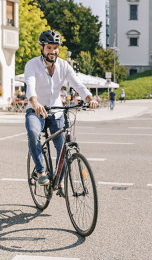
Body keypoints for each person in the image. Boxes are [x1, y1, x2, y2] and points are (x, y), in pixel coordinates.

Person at [25, 30, 98, 198]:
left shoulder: (64, 66)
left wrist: (89, 97)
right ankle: (41, 171)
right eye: (49, 47)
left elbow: (78, 84)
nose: (53, 51)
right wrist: (35, 102)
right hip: (36, 110)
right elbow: (30, 84)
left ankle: (60, 181)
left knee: (63, 147)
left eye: (56, 48)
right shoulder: (32, 65)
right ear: (42, 48)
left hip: (57, 111)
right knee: (33, 132)